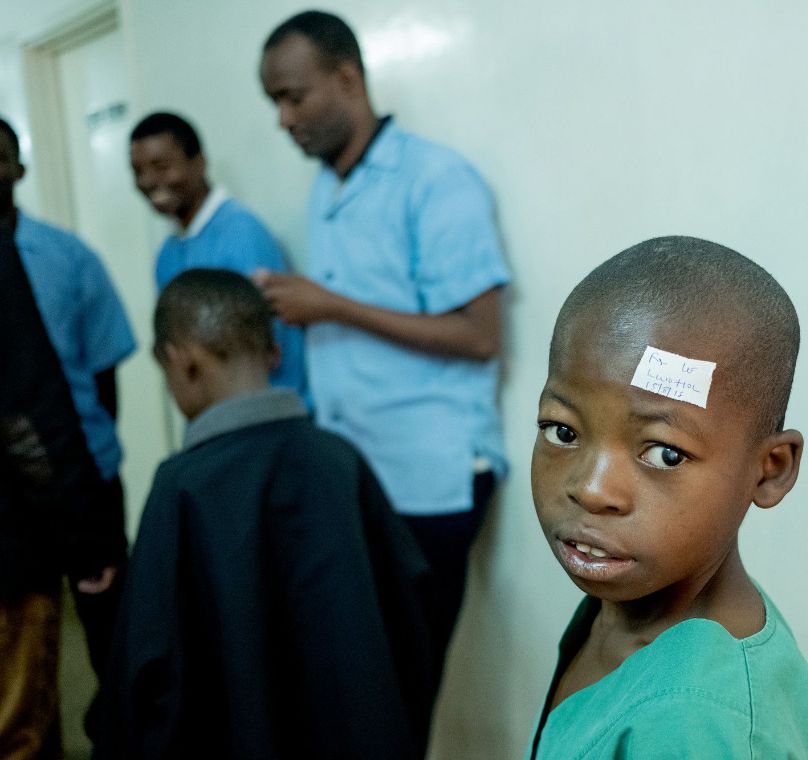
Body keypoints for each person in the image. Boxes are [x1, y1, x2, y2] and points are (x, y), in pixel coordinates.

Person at [257, 9, 511, 695]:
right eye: (273, 102)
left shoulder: (435, 179)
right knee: (356, 688)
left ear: (347, 77)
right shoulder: (326, 188)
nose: (283, 119)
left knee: (399, 688)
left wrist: (330, 306)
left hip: (428, 472)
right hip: (357, 469)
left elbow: (478, 334)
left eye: (293, 96)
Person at [528, 236, 808, 758]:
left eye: (664, 455)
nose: (591, 489)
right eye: (563, 432)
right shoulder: (622, 604)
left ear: (769, 471)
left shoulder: (692, 724)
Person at [95, 268, 434, 759]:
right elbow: (409, 617)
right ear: (275, 352)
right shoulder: (339, 459)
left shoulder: (181, 489)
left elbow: (143, 666)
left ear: (181, 363)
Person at [0, 116, 135, 758]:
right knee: (21, 696)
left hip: (79, 474)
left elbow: (101, 375)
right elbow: (24, 409)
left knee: (104, 636)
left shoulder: (67, 256)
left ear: (19, 166)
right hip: (21, 504)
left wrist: (88, 483)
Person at [128, 111, 306, 396]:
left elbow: (266, 348)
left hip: (262, 419)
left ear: (199, 163)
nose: (148, 181)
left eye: (161, 166)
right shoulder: (168, 255)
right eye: (138, 171)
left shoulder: (240, 235)